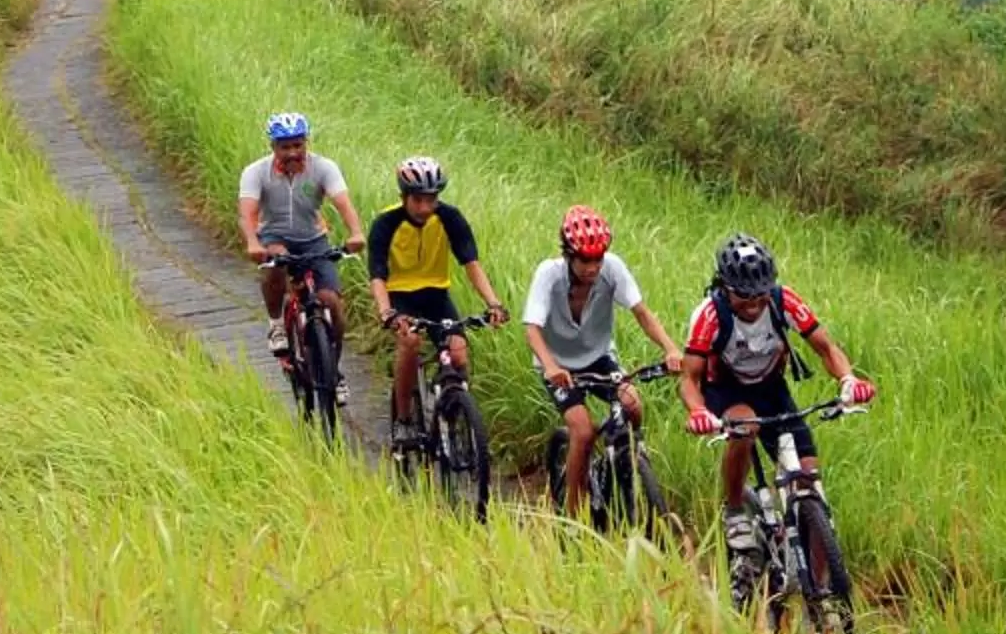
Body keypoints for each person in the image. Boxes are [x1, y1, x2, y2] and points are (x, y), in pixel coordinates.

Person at [677, 233, 876, 591]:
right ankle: (735, 510)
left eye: (760, 294)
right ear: (725, 286)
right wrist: (697, 411)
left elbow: (826, 348)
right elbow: (689, 378)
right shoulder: (709, 315)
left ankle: (817, 585)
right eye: (743, 295)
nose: (753, 304)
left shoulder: (784, 301)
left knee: (809, 480)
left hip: (771, 387)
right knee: (745, 428)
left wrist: (848, 380)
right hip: (726, 389)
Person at [521, 204, 683, 518]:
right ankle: (572, 512)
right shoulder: (549, 274)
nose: (593, 267)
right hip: (557, 365)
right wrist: (551, 367)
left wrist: (670, 348)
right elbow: (532, 329)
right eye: (585, 260)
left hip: (599, 357)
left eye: (598, 258)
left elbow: (642, 314)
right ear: (568, 254)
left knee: (632, 404)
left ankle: (623, 457)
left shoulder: (612, 269)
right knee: (581, 431)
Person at [365, 155, 509, 435]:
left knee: (458, 355)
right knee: (410, 342)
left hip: (436, 295)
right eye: (417, 200)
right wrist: (386, 311)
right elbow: (377, 275)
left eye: (431, 199)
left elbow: (472, 264)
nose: (424, 207)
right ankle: (404, 419)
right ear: (404, 196)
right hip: (400, 296)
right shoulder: (386, 223)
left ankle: (454, 412)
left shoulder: (449, 218)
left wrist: (493, 303)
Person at [237, 112, 364, 370]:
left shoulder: (324, 167)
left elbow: (342, 203)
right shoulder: (256, 172)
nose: (293, 152)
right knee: (276, 259)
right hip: (274, 235)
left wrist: (356, 232)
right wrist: (253, 241)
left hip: (314, 239)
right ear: (273, 147)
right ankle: (276, 325)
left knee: (332, 303)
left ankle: (333, 369)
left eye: (298, 145)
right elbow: (247, 212)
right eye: (285, 147)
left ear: (306, 142)